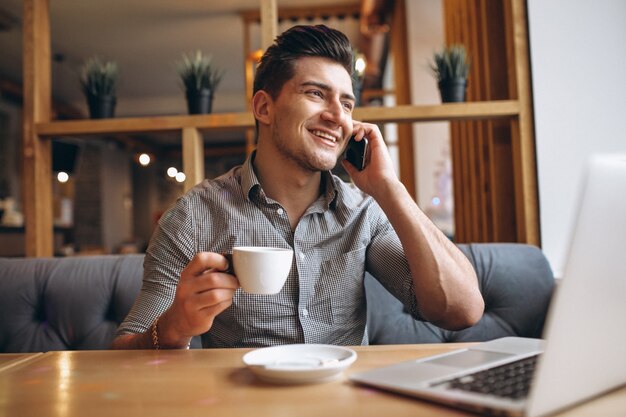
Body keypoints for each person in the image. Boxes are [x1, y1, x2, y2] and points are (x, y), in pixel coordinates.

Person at [112, 25, 483, 350]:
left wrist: (388, 187)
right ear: (264, 108)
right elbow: (125, 351)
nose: (338, 116)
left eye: (347, 103)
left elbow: (463, 311)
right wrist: (174, 328)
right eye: (315, 94)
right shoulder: (194, 217)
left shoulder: (362, 213)